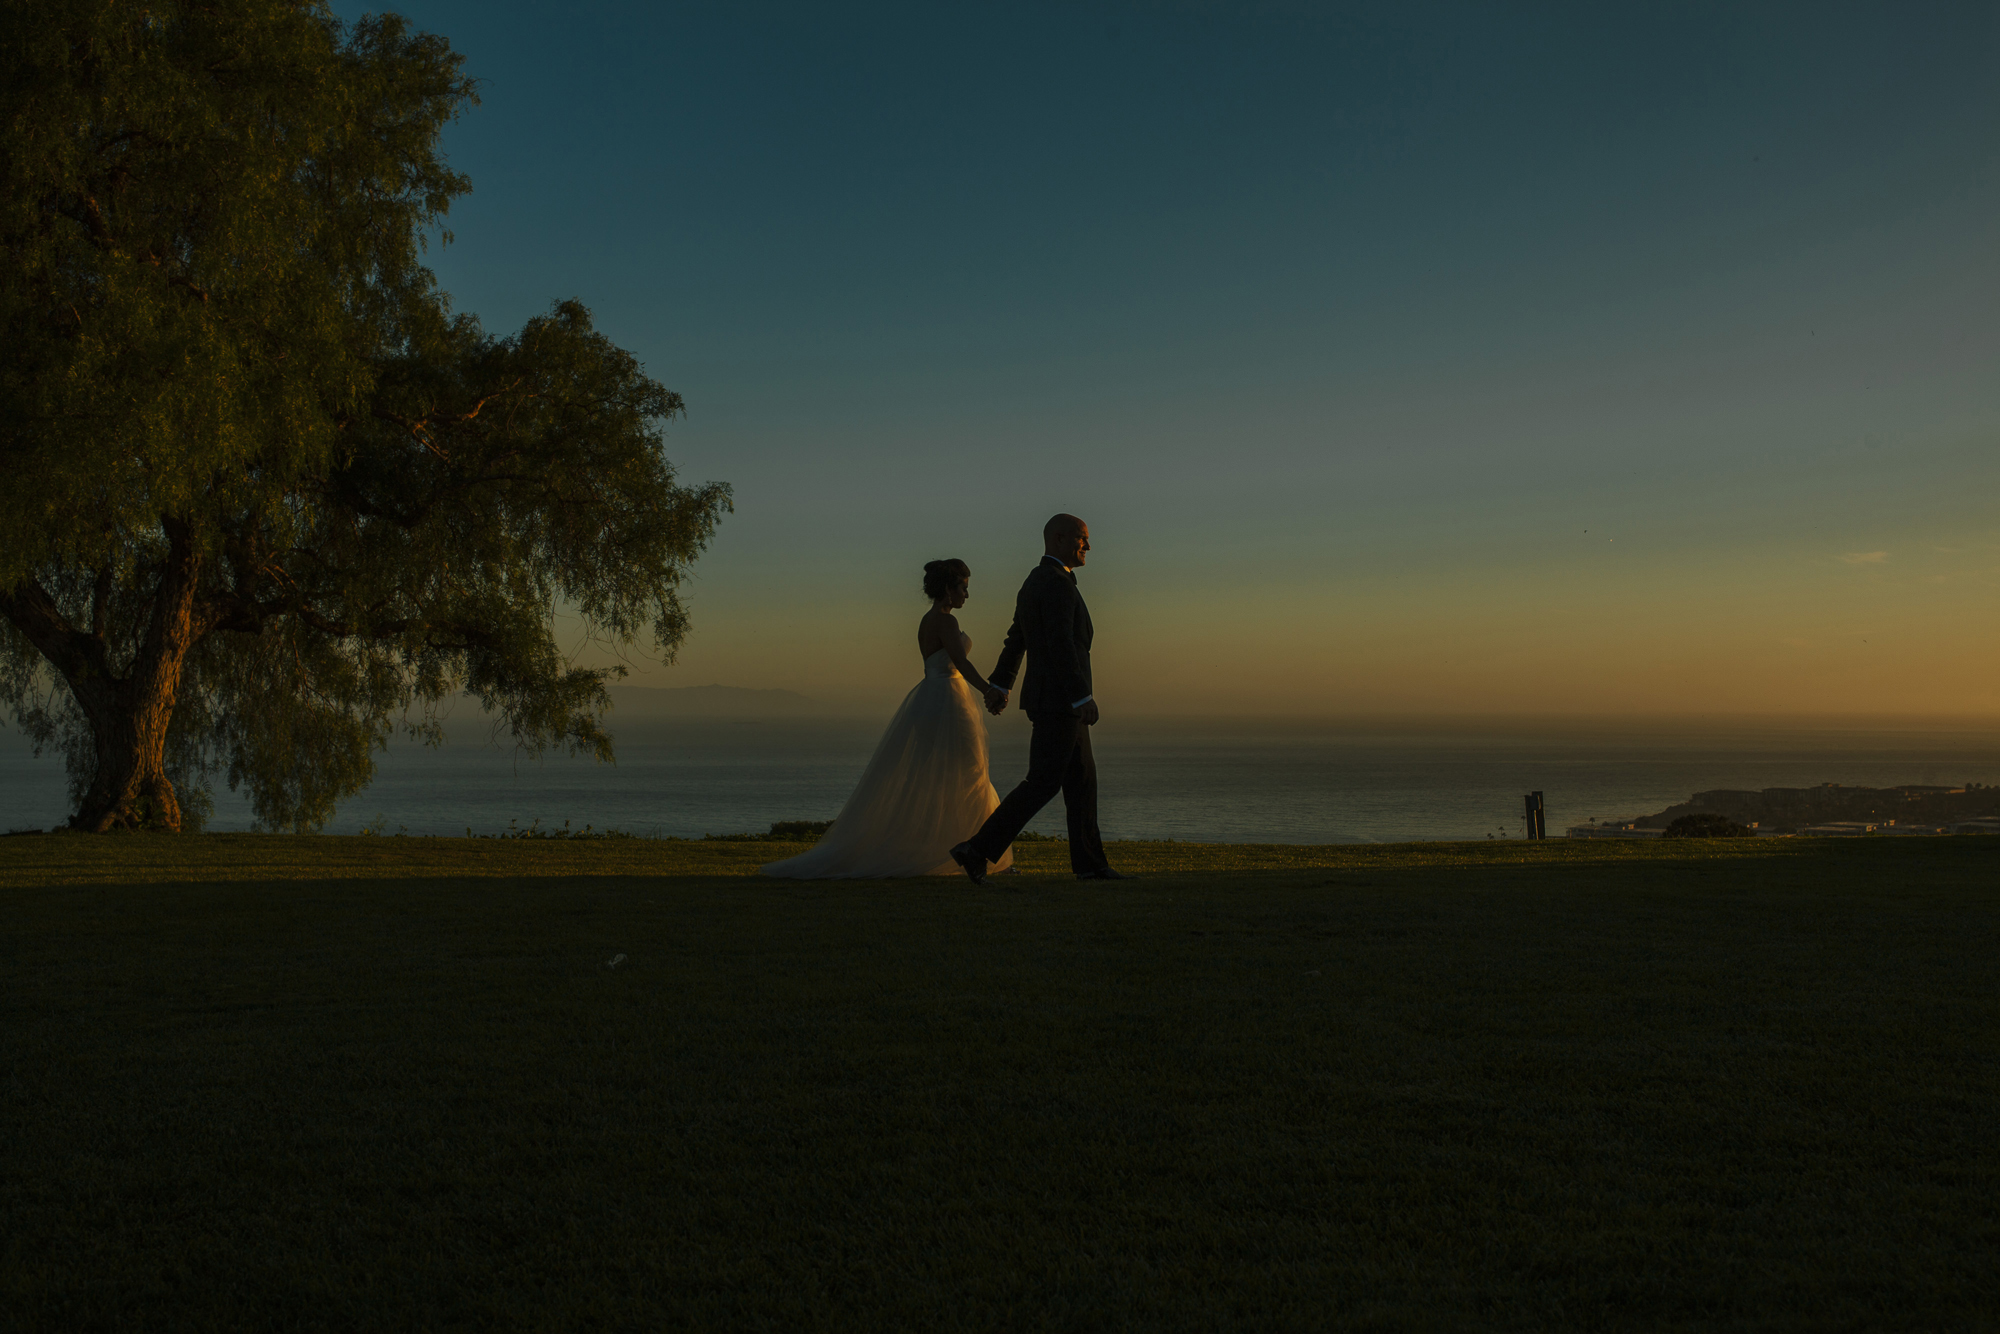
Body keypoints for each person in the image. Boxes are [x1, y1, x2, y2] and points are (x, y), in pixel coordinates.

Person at [760, 560, 1015, 879]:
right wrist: (989, 690)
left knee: (939, 775)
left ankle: (957, 847)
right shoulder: (947, 622)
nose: (967, 593)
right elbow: (960, 663)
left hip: (930, 698)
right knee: (971, 772)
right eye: (963, 586)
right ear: (948, 589)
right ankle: (981, 853)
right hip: (949, 699)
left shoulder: (926, 620)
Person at [951, 514, 1131, 883]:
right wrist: (1081, 697)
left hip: (1052, 700)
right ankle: (976, 849)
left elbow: (1017, 638)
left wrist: (1001, 684)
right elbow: (1060, 644)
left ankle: (1091, 866)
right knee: (1044, 782)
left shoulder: (1035, 581)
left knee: (1082, 782)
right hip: (1059, 702)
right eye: (1083, 538)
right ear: (1059, 539)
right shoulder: (1057, 584)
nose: (1089, 546)